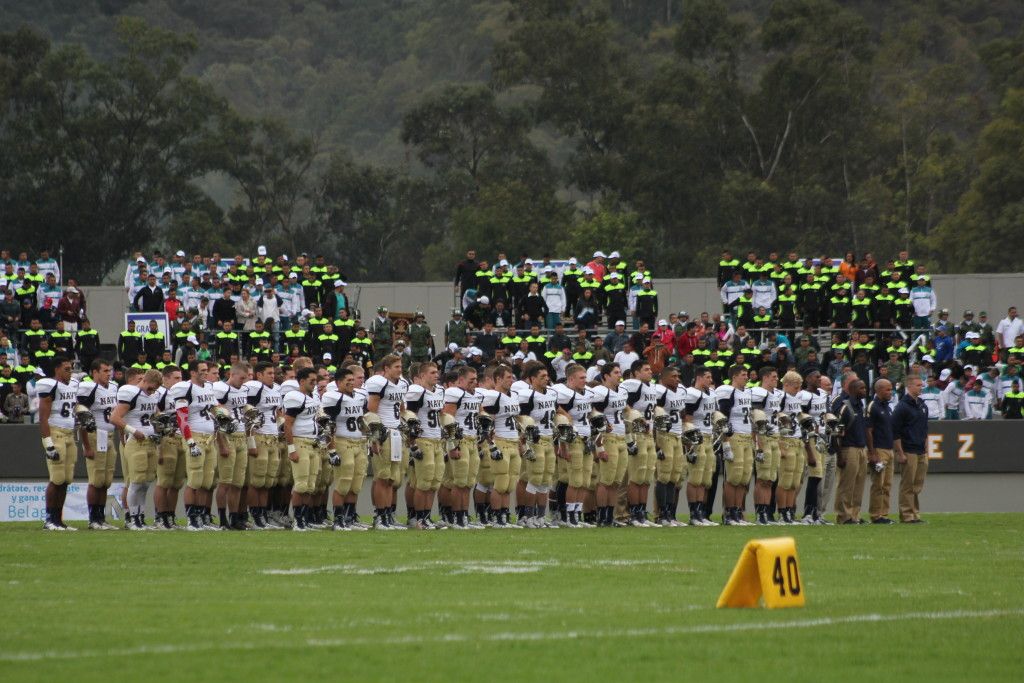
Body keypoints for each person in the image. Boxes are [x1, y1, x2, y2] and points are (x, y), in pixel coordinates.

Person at [168, 360, 220, 531]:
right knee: (195, 479)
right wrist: (190, 442)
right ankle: (192, 519)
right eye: (202, 370)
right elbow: (181, 418)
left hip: (209, 437)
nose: (206, 373)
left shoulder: (209, 387)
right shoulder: (185, 388)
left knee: (207, 481)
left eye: (207, 370)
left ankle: (202, 517)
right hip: (195, 436)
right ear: (192, 372)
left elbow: (213, 410)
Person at [110, 369, 162, 530]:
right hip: (135, 442)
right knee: (136, 481)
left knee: (146, 482)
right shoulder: (130, 392)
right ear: (145, 380)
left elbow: (154, 416)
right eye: (151, 387)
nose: (153, 391)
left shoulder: (153, 395)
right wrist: (133, 431)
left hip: (150, 442)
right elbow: (114, 418)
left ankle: (140, 517)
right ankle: (133, 519)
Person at [365, 354, 409, 529]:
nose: (400, 369)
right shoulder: (379, 383)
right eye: (396, 367)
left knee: (393, 479)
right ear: (386, 369)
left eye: (400, 366)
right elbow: (371, 412)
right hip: (384, 433)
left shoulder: (403, 383)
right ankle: (379, 516)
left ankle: (388, 515)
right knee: (382, 477)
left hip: (397, 433)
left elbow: (402, 407)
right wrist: (374, 438)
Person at [76, 359, 119, 530]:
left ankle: (101, 518)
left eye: (110, 370)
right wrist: (86, 446)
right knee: (96, 480)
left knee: (105, 480)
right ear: (94, 372)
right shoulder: (89, 388)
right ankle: (93, 519)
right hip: (95, 436)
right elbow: (82, 418)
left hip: (109, 436)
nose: (109, 373)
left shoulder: (114, 387)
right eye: (105, 371)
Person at [37, 356, 78, 531]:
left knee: (66, 480)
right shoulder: (50, 385)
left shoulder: (74, 384)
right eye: (66, 369)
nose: (70, 372)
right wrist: (48, 444)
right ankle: (49, 520)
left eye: (71, 368)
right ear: (57, 369)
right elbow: (43, 418)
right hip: (56, 432)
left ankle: (58, 520)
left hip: (70, 434)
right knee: (56, 479)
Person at [404, 362, 446, 529]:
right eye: (432, 372)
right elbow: (410, 417)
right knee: (424, 482)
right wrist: (413, 444)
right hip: (424, 439)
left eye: (437, 372)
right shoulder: (416, 391)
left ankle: (427, 517)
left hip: (436, 440)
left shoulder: (438, 392)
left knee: (434, 482)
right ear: (421, 376)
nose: (436, 375)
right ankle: (419, 519)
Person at [281, 367, 321, 531]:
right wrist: (291, 449)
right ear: (302, 381)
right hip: (300, 442)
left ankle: (303, 519)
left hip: (312, 442)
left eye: (315, 381)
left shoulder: (311, 396)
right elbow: (287, 424)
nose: (314, 384)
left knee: (310, 485)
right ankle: (298, 521)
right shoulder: (294, 397)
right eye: (311, 380)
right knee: (301, 484)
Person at [716, 365, 755, 525]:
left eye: (747, 374)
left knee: (744, 478)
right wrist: (725, 443)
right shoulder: (728, 391)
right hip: (735, 437)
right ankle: (729, 513)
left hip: (747, 437)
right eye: (743, 374)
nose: (747, 377)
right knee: (733, 477)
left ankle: (738, 512)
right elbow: (722, 419)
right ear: (734, 377)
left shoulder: (747, 392)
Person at [588, 363, 627, 527]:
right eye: (615, 373)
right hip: (608, 438)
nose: (619, 375)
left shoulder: (623, 391)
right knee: (605, 480)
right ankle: (602, 516)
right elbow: (595, 420)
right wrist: (600, 447)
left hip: (621, 438)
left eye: (619, 372)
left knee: (616, 482)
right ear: (605, 376)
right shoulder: (600, 392)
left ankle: (610, 516)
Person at [892, 375, 929, 523]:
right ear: (910, 387)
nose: (921, 387)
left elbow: (925, 428)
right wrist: (900, 452)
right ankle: (907, 515)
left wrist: (926, 444)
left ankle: (915, 513)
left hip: (921, 450)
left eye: (922, 385)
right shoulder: (902, 407)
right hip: (908, 449)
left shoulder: (922, 405)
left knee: (917, 485)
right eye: (918, 385)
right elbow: (895, 431)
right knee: (908, 484)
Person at [749, 367, 783, 525]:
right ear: (765, 378)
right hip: (764, 438)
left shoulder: (776, 394)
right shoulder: (759, 393)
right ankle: (760, 512)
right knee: (762, 478)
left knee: (771, 478)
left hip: (775, 437)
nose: (777, 380)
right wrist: (758, 445)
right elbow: (756, 419)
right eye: (774, 377)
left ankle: (768, 512)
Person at [833, 378, 868, 524]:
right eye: (862, 388)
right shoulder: (845, 407)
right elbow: (836, 432)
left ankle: (854, 514)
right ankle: (843, 515)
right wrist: (840, 455)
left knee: (859, 484)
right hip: (849, 448)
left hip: (861, 448)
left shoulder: (861, 406)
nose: (865, 391)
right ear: (853, 390)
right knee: (847, 484)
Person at [866, 378, 895, 524]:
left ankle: (884, 514)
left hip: (889, 449)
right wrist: (872, 452)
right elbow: (869, 431)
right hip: (879, 449)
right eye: (888, 389)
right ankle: (876, 515)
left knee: (887, 484)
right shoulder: (873, 406)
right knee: (878, 483)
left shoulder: (888, 407)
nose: (891, 392)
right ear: (878, 390)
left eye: (891, 389)